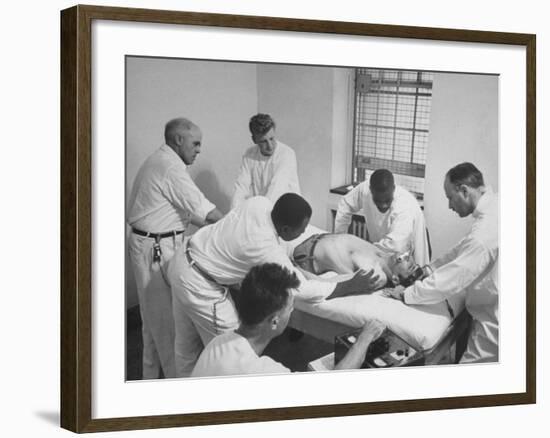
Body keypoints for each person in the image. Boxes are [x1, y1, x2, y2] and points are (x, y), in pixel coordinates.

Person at [168, 193, 382, 377]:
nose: (305, 232)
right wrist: (348, 285)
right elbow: (301, 289)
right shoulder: (264, 246)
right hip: (198, 283)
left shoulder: (259, 203)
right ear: (286, 230)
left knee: (186, 349)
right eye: (302, 229)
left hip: (183, 259)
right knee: (230, 348)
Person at [127, 117, 223, 379]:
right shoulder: (169, 167)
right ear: (179, 140)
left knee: (152, 323)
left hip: (153, 243)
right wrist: (234, 227)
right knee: (166, 326)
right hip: (154, 248)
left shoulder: (160, 161)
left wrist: (212, 224)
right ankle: (174, 389)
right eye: (196, 143)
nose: (199, 149)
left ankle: (149, 380)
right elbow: (202, 206)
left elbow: (178, 210)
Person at [386, 162, 498, 363]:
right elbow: (462, 248)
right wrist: (430, 268)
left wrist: (406, 294)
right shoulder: (494, 210)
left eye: (450, 198)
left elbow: (452, 279)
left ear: (463, 191)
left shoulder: (484, 233)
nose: (449, 205)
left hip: (495, 318)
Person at [191, 263, 386, 377]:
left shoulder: (218, 343)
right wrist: (365, 338)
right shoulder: (263, 371)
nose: (291, 311)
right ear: (274, 321)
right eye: (290, 308)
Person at [334, 169, 430, 267]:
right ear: (371, 190)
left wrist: (361, 250)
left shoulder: (404, 206)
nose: (383, 205)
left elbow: (396, 246)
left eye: (387, 200)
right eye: (378, 201)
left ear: (393, 188)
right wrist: (340, 238)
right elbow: (345, 203)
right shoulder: (364, 189)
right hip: (381, 252)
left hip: (406, 254)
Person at [292, 232, 417, 289]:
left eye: (409, 266)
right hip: (315, 239)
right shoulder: (384, 254)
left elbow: (329, 283)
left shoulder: (378, 276)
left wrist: (296, 270)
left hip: (307, 258)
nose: (409, 258)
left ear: (395, 278)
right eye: (410, 258)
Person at [231, 113, 301, 209]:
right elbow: (240, 188)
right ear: (254, 140)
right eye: (263, 141)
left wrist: (260, 214)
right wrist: (235, 215)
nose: (270, 146)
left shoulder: (286, 154)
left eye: (271, 139)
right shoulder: (249, 155)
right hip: (262, 210)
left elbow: (276, 188)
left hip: (286, 211)